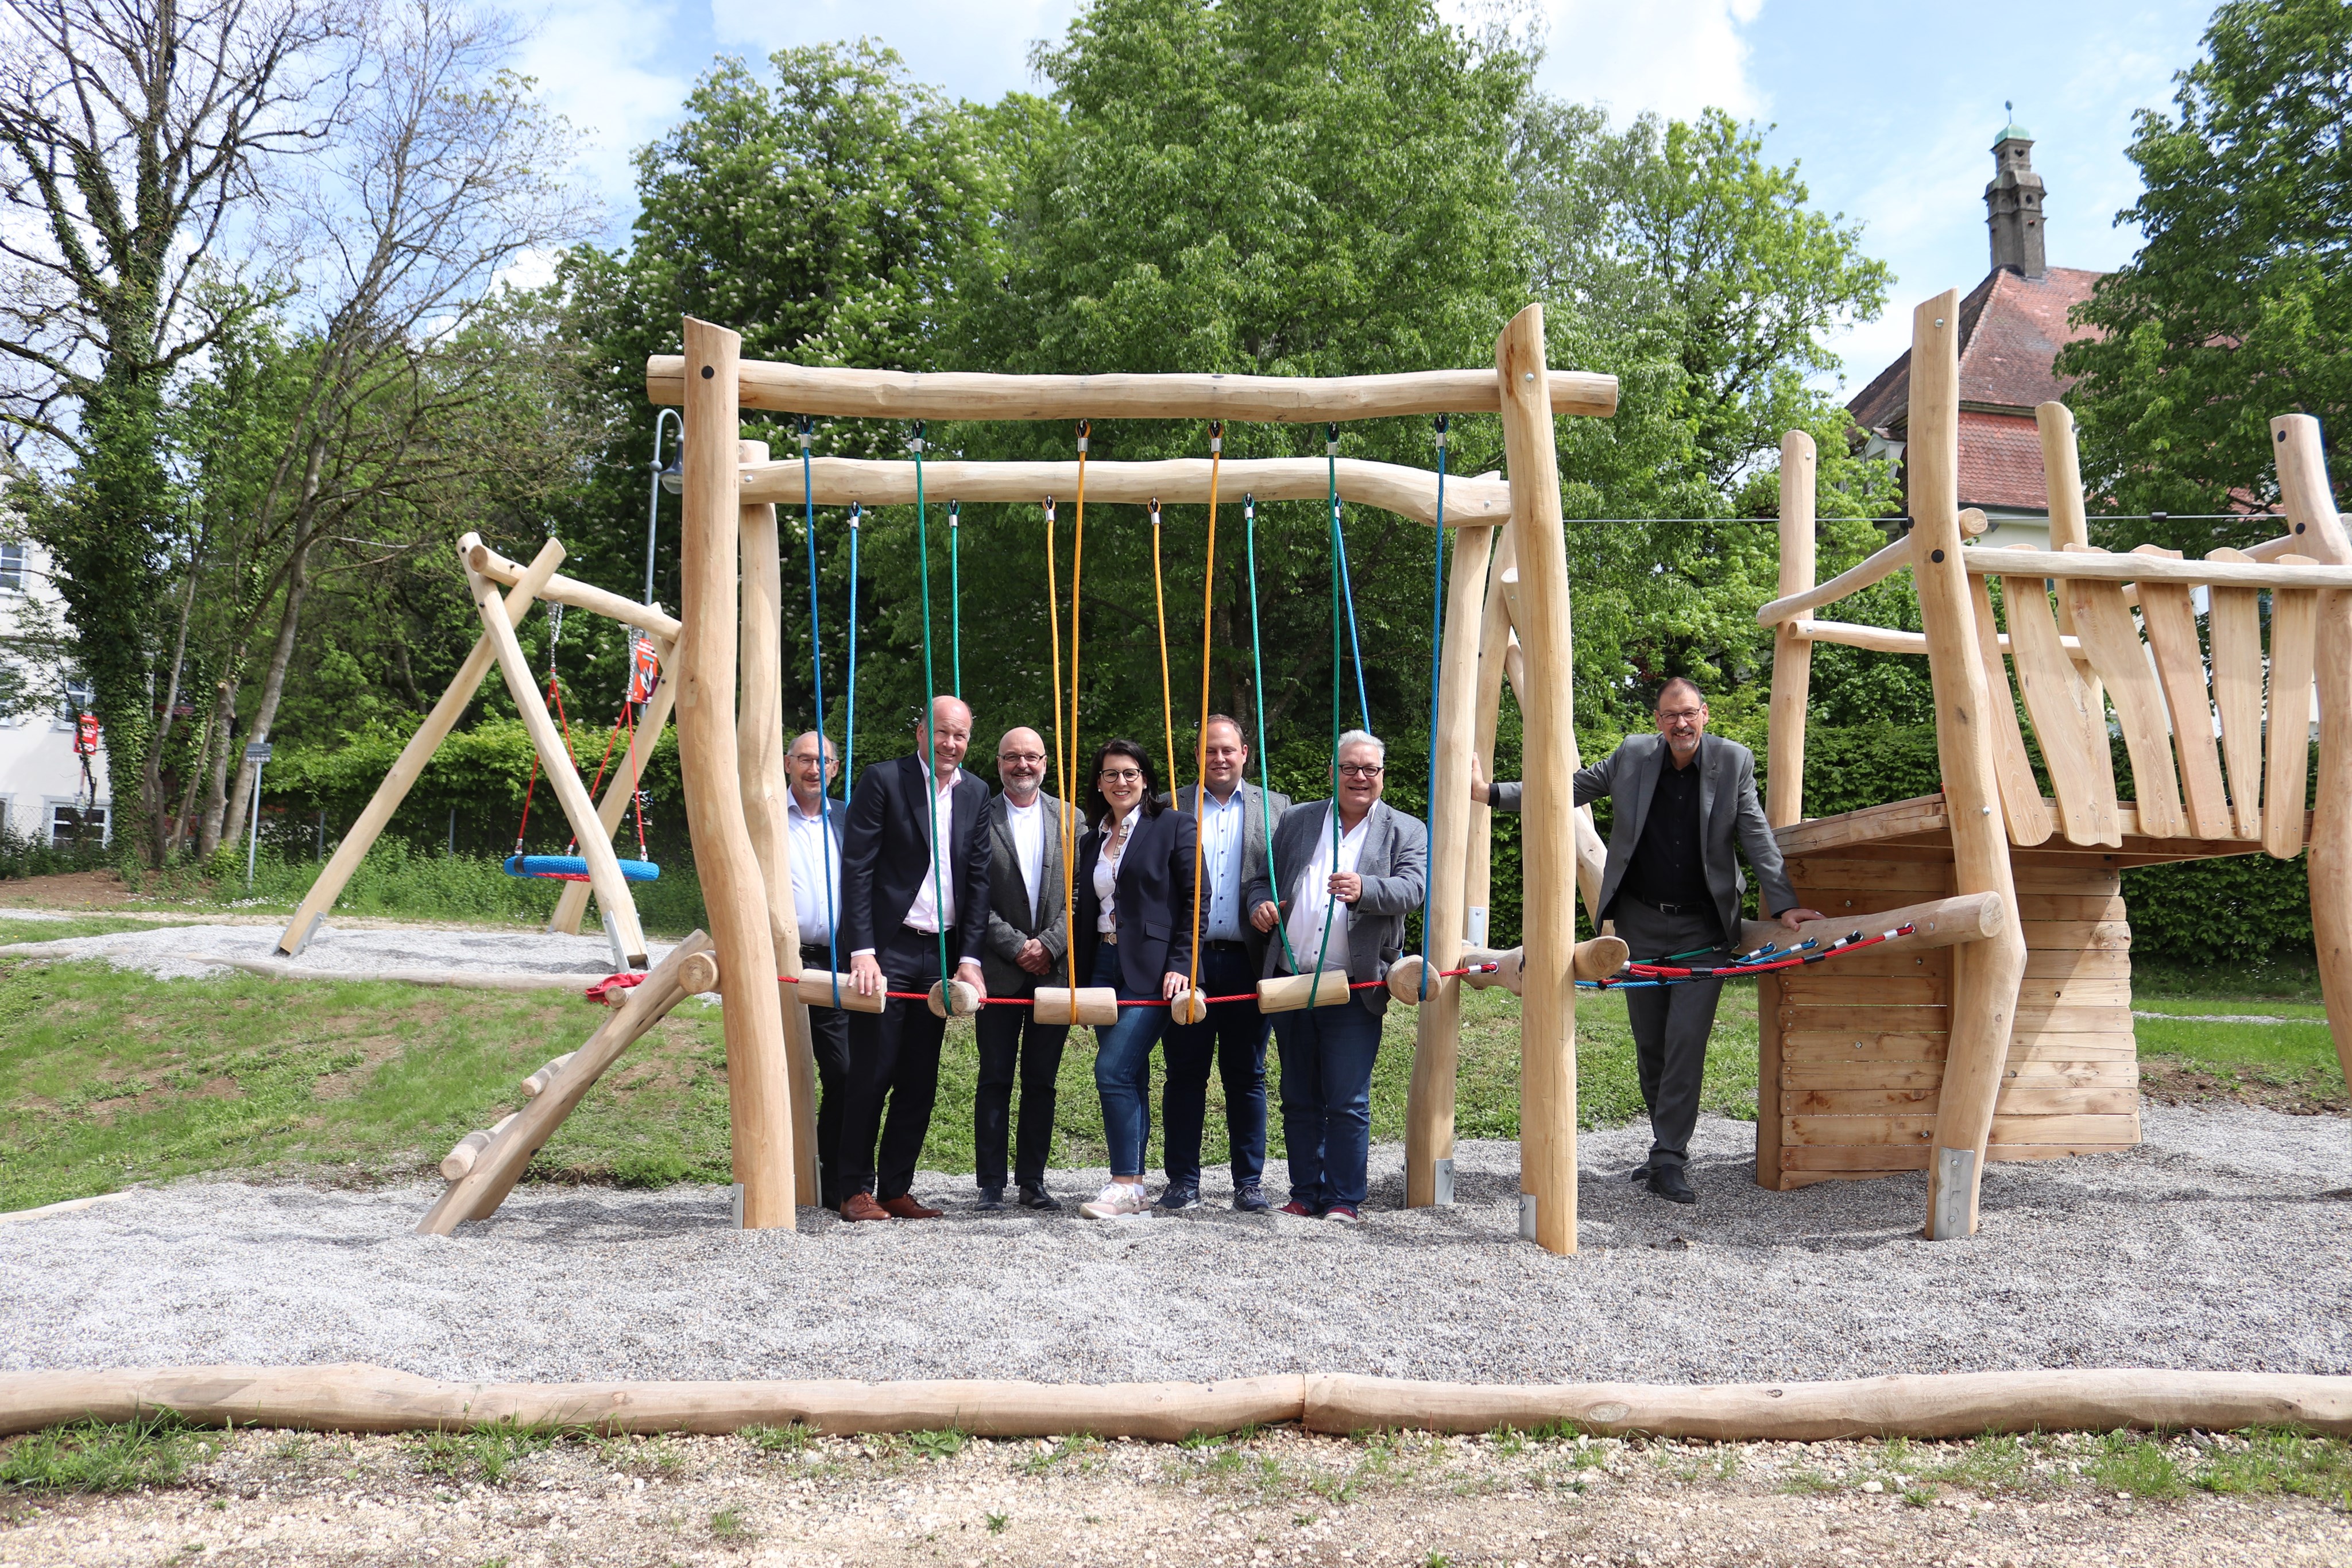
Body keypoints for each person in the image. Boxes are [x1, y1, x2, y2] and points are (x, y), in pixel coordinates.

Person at [1471, 677, 1823, 1205]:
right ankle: (1664, 1145)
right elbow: (1564, 789)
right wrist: (1492, 793)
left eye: (1689, 713)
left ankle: (1670, 1156)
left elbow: (1756, 835)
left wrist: (1786, 900)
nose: (1680, 723)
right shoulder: (1632, 755)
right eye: (1669, 715)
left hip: (1704, 931)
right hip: (1637, 927)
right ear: (1658, 721)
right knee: (1650, 1044)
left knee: (1685, 1042)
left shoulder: (1733, 761)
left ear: (1704, 714)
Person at [1245, 730, 1426, 1225]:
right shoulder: (1299, 819)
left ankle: (1344, 1197)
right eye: (1350, 767)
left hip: (1354, 984)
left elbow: (1413, 889)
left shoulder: (1405, 830)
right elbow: (1264, 878)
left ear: (1382, 775)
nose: (1360, 777)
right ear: (1333, 773)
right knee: (1299, 1094)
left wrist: (1366, 888)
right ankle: (1305, 1191)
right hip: (1292, 978)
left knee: (1347, 1098)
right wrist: (1260, 903)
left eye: (1370, 769)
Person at [836, 696, 993, 1223]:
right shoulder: (884, 780)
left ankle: (897, 1187)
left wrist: (969, 959)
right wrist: (863, 949)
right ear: (922, 732)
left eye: (962, 736)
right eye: (944, 732)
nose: (952, 744)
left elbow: (978, 881)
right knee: (872, 1071)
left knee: (920, 1077)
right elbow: (857, 867)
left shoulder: (977, 792)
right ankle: (855, 1188)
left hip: (943, 950)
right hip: (889, 946)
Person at [1159, 714, 1287, 1212]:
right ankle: (1183, 1181)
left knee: (1247, 1074)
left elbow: (1292, 878)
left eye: (1227, 749)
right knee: (1183, 1073)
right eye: (1209, 749)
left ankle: (1249, 1182)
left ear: (1244, 754)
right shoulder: (1169, 805)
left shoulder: (1277, 809)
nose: (1219, 757)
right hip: (1186, 963)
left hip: (1249, 962)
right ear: (1197, 755)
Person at [1070, 738, 1197, 1220]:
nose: (1120, 782)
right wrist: (1078, 978)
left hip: (1153, 966)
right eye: (1110, 774)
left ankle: (1123, 1181)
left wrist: (1183, 963)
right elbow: (1087, 911)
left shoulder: (1174, 825)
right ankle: (1137, 1185)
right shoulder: (1090, 838)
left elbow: (1194, 899)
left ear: (1145, 778)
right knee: (1132, 1074)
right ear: (1099, 783)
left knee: (1112, 1070)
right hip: (1102, 964)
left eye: (1129, 772)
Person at [974, 726, 1073, 1212]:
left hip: (1052, 973)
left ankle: (1032, 1180)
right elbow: (971, 896)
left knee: (1042, 1081)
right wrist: (1017, 946)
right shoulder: (978, 816)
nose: (1022, 766)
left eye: (1031, 757)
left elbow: (1082, 894)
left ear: (1046, 763)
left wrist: (1051, 944)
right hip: (999, 969)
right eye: (1012, 757)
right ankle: (990, 1183)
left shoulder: (1071, 817)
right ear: (998, 763)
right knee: (994, 1077)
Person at [784, 730, 853, 1211]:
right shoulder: (765, 816)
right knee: (778, 1075)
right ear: (788, 764)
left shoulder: (850, 818)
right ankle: (782, 1174)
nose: (813, 768)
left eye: (822, 761)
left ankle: (831, 1175)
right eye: (805, 759)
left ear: (834, 769)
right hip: (780, 963)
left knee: (845, 1072)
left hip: (834, 962)